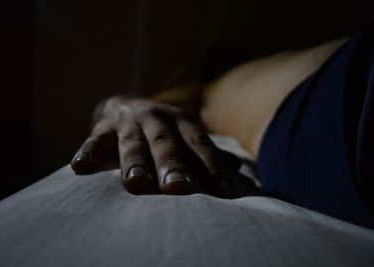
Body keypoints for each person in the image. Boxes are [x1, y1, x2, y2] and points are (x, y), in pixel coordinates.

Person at [71, 20, 374, 228]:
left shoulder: (230, 84)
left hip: (337, 89)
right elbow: (134, 105)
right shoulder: (200, 88)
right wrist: (115, 104)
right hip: (327, 101)